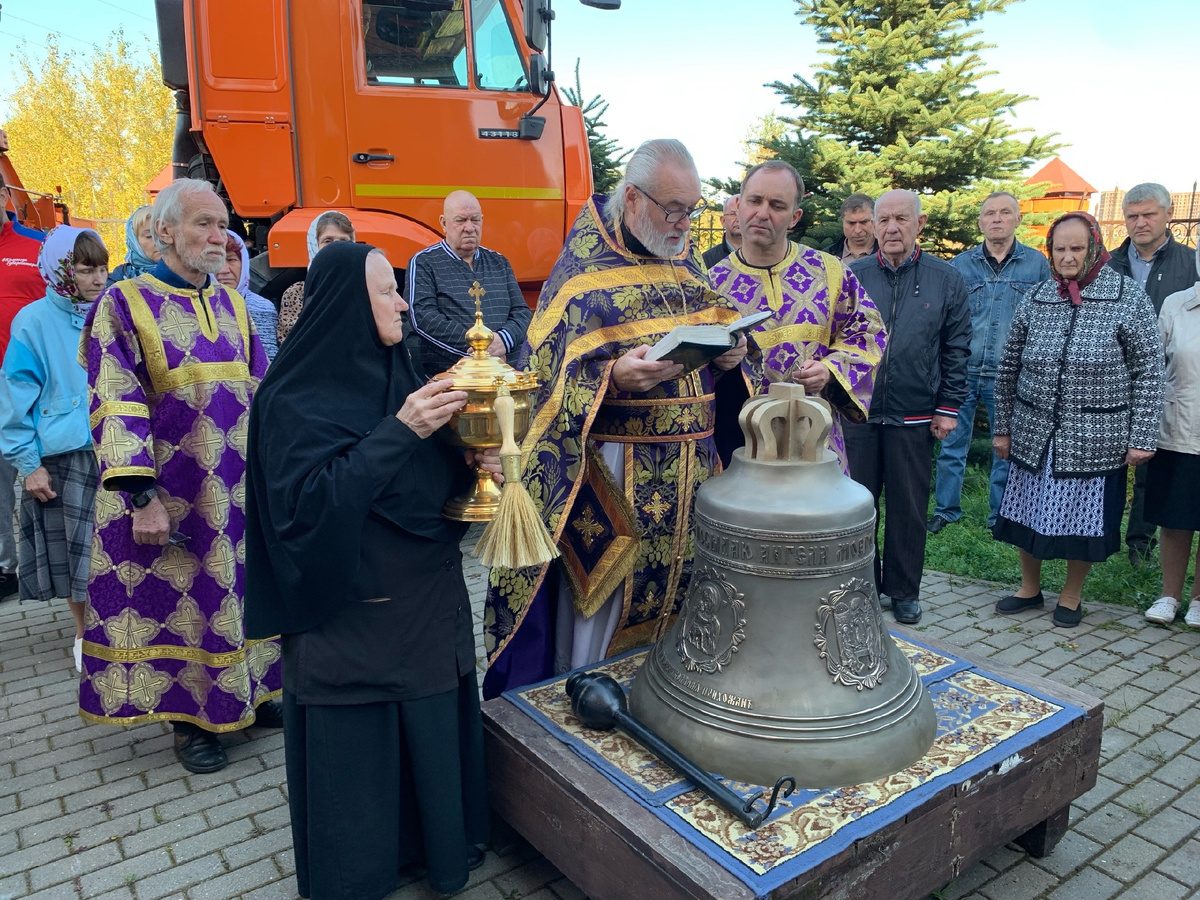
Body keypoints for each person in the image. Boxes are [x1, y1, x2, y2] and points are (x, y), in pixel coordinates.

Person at [245, 242, 494, 899]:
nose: (404, 302)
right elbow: (308, 509)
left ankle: (433, 851)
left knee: (428, 726)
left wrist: (475, 465)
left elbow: (427, 488)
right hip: (350, 613)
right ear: (350, 302)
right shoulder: (291, 399)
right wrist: (401, 430)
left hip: (426, 605)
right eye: (388, 291)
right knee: (362, 751)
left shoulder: (404, 368)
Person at [481, 139, 759, 698]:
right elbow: (547, 373)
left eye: (693, 210)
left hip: (694, 478)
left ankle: (676, 708)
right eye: (673, 209)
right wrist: (611, 378)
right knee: (603, 612)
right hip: (614, 475)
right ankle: (582, 709)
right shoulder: (583, 270)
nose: (684, 224)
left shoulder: (684, 258)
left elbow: (716, 322)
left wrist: (735, 350)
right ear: (632, 199)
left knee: (687, 604)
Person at [79, 178, 283, 774]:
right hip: (173, 491)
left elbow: (265, 393)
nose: (219, 237)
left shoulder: (234, 305)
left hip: (240, 488)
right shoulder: (122, 304)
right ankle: (191, 721)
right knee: (184, 599)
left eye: (223, 225)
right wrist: (141, 497)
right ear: (164, 231)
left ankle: (252, 691)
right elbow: (114, 399)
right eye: (204, 224)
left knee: (243, 593)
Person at [992, 211, 1162, 629]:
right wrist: (1002, 427)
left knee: (1081, 519)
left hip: (1095, 434)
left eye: (1076, 248)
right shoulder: (1038, 297)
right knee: (1026, 510)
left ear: (1095, 248)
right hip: (1034, 430)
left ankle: (1071, 596)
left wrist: (1141, 436)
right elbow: (1009, 366)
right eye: (1059, 249)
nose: (1067, 257)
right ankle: (1029, 589)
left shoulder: (1127, 296)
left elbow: (1149, 370)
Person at [844, 190, 971, 625]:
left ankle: (903, 590)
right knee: (858, 506)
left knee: (909, 506)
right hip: (858, 410)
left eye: (902, 219)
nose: (891, 228)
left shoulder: (945, 278)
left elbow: (956, 348)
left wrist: (948, 406)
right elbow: (834, 338)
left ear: (919, 224)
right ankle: (859, 589)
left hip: (916, 411)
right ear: (873, 225)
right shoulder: (852, 275)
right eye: (884, 220)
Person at [709, 160, 885, 472]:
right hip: (739, 447)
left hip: (815, 441)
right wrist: (717, 362)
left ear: (794, 217)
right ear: (738, 205)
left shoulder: (830, 272)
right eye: (754, 201)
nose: (763, 213)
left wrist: (830, 369)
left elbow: (869, 332)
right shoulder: (710, 284)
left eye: (777, 205)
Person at [0, 226, 107, 671]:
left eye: (102, 267)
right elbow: (13, 402)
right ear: (61, 270)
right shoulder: (32, 321)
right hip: (63, 457)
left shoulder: (112, 310)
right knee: (75, 557)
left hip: (115, 446)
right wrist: (29, 465)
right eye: (86, 270)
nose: (99, 279)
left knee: (114, 551)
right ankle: (85, 637)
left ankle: (119, 628)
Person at [929, 192, 1050, 534]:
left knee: (1004, 448)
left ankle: (1000, 516)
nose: (997, 219)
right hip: (963, 371)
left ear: (1017, 220)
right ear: (980, 222)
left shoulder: (1036, 265)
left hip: (1010, 373)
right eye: (990, 214)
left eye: (1005, 213)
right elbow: (946, 320)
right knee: (952, 446)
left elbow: (1042, 318)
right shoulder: (960, 266)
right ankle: (946, 510)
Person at [1105, 183, 1196, 567]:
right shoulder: (1108, 264)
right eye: (1132, 216)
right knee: (1107, 461)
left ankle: (1139, 546)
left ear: (1168, 214)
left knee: (1148, 464)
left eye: (1149, 215)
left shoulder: (1189, 264)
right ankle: (1101, 536)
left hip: (1163, 383)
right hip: (1110, 378)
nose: (1140, 223)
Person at [407, 190, 533, 377]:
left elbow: (522, 312)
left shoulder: (499, 262)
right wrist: (481, 350)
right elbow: (424, 317)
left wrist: (503, 341)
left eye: (475, 220)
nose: (469, 227)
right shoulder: (425, 262)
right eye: (461, 220)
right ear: (443, 223)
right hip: (452, 380)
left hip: (504, 376)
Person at [1142, 242, 1200, 626]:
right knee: (1176, 518)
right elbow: (1152, 368)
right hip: (1180, 429)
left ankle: (1199, 600)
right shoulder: (1177, 305)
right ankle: (1169, 595)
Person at [0, 180, 46, 599]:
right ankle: (3, 567)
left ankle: (51, 569)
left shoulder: (37, 247)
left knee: (41, 478)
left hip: (35, 391)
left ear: (4, 198)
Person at [277, 211, 356, 345]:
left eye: (343, 241)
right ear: (314, 245)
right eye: (327, 241)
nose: (336, 247)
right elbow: (291, 345)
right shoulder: (296, 294)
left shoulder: (367, 290)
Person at [218, 231, 279, 361]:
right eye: (216, 261)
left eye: (231, 259)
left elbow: (267, 361)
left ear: (244, 263)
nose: (224, 270)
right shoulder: (194, 305)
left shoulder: (261, 308)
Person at [107, 206, 160, 285]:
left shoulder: (182, 275)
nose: (159, 242)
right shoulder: (120, 278)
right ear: (134, 241)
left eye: (164, 234)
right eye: (149, 236)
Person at [823, 193, 878, 262]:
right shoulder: (826, 257)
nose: (858, 230)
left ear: (875, 220)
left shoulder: (889, 255)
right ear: (843, 222)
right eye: (851, 223)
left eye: (864, 222)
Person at [702, 195, 741, 269]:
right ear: (723, 221)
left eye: (743, 214)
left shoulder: (763, 257)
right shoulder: (707, 259)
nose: (738, 219)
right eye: (733, 214)